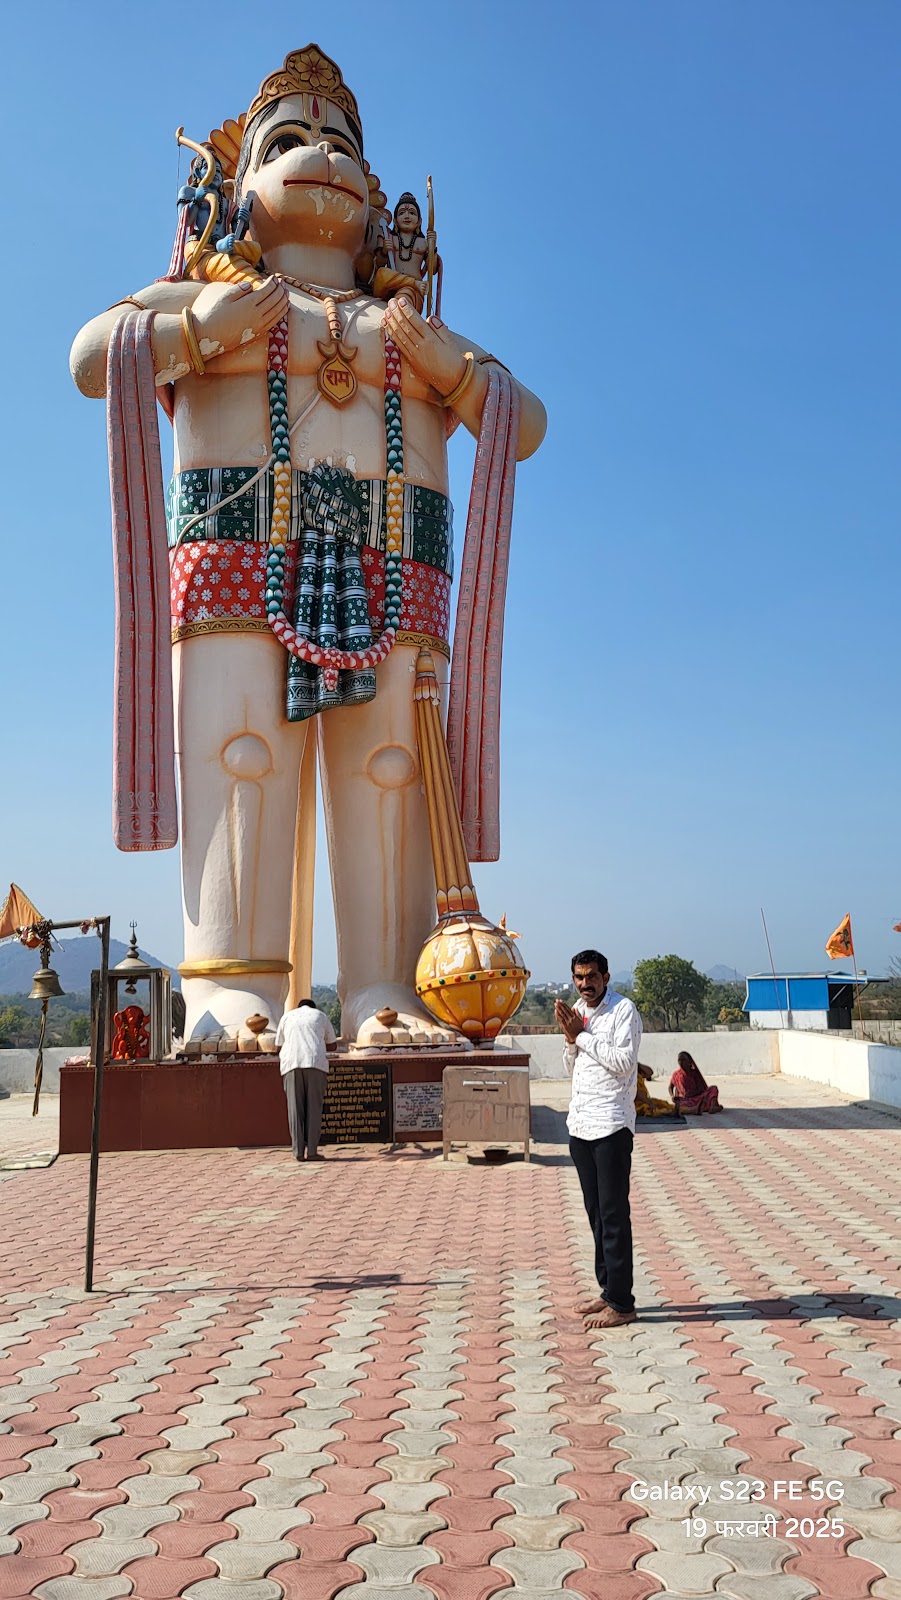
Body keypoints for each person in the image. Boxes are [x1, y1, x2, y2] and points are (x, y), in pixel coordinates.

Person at [555, 950, 643, 1330]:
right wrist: (571, 1041)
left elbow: (624, 1063)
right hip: (581, 1125)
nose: (585, 984)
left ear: (606, 977)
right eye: (579, 977)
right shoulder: (578, 1011)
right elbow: (571, 1068)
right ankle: (608, 1291)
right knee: (596, 1216)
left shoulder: (624, 1011)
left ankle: (623, 1303)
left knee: (613, 1215)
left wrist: (582, 1035)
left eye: (591, 976)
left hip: (611, 1126)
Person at [275, 999, 336, 1160]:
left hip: (291, 1064)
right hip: (315, 1063)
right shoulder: (320, 1016)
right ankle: (312, 1151)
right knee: (314, 1108)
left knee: (295, 1109)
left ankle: (297, 1151)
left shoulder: (287, 1017)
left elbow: (278, 1046)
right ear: (313, 1007)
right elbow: (333, 1045)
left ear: (298, 1007)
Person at [669, 1051, 723, 1115]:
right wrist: (672, 1096)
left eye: (683, 1060)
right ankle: (699, 1108)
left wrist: (693, 1094)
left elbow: (701, 1089)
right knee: (679, 1106)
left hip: (697, 1098)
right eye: (679, 1060)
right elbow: (670, 1087)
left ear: (689, 1061)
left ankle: (712, 1106)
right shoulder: (676, 1074)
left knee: (713, 1088)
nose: (681, 1062)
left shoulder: (694, 1073)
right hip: (685, 1100)